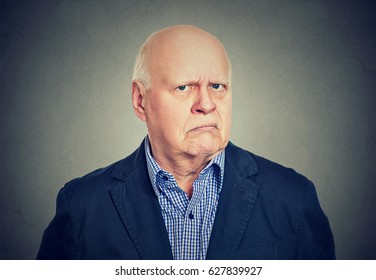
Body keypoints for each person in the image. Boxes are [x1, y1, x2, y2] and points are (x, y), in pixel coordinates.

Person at [37, 25, 335, 260]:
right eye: (184, 87)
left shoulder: (294, 199)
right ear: (140, 101)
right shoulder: (81, 206)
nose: (206, 104)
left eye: (217, 86)